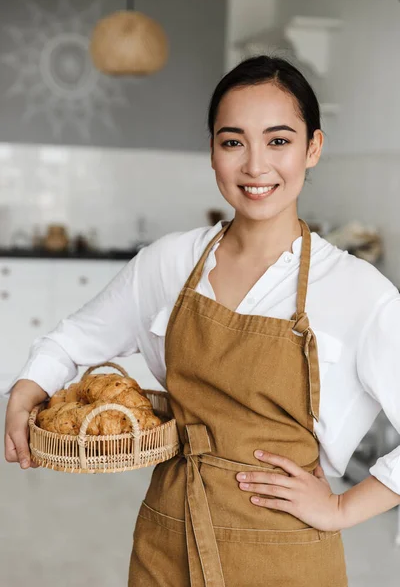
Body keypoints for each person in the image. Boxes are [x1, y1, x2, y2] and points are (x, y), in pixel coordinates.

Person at [4, 55, 400, 586]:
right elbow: (72, 339)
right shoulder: (170, 263)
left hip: (285, 555)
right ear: (212, 151)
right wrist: (27, 388)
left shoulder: (358, 291)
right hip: (167, 538)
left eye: (279, 141)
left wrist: (342, 509)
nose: (255, 166)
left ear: (313, 149)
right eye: (233, 141)